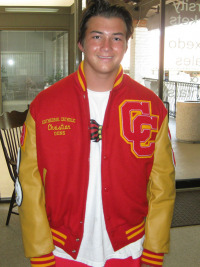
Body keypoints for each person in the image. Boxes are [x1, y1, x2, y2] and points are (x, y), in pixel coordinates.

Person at [16, 0, 176, 266]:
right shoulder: (45, 105)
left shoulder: (151, 106)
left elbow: (163, 185)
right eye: (97, 36)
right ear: (81, 43)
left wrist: (154, 249)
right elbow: (29, 184)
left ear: (126, 45)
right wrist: (39, 251)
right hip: (61, 247)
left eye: (116, 38)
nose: (106, 47)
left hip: (130, 245)